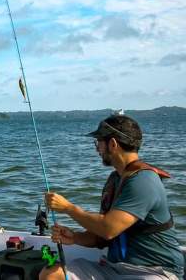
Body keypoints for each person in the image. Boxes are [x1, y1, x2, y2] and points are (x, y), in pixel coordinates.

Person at [40, 114, 184, 280]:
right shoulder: (115, 180)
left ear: (113, 144)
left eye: (99, 142)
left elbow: (109, 229)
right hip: (113, 268)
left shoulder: (144, 180)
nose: (97, 149)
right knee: (51, 274)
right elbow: (101, 236)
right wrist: (75, 238)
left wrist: (68, 208)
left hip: (153, 272)